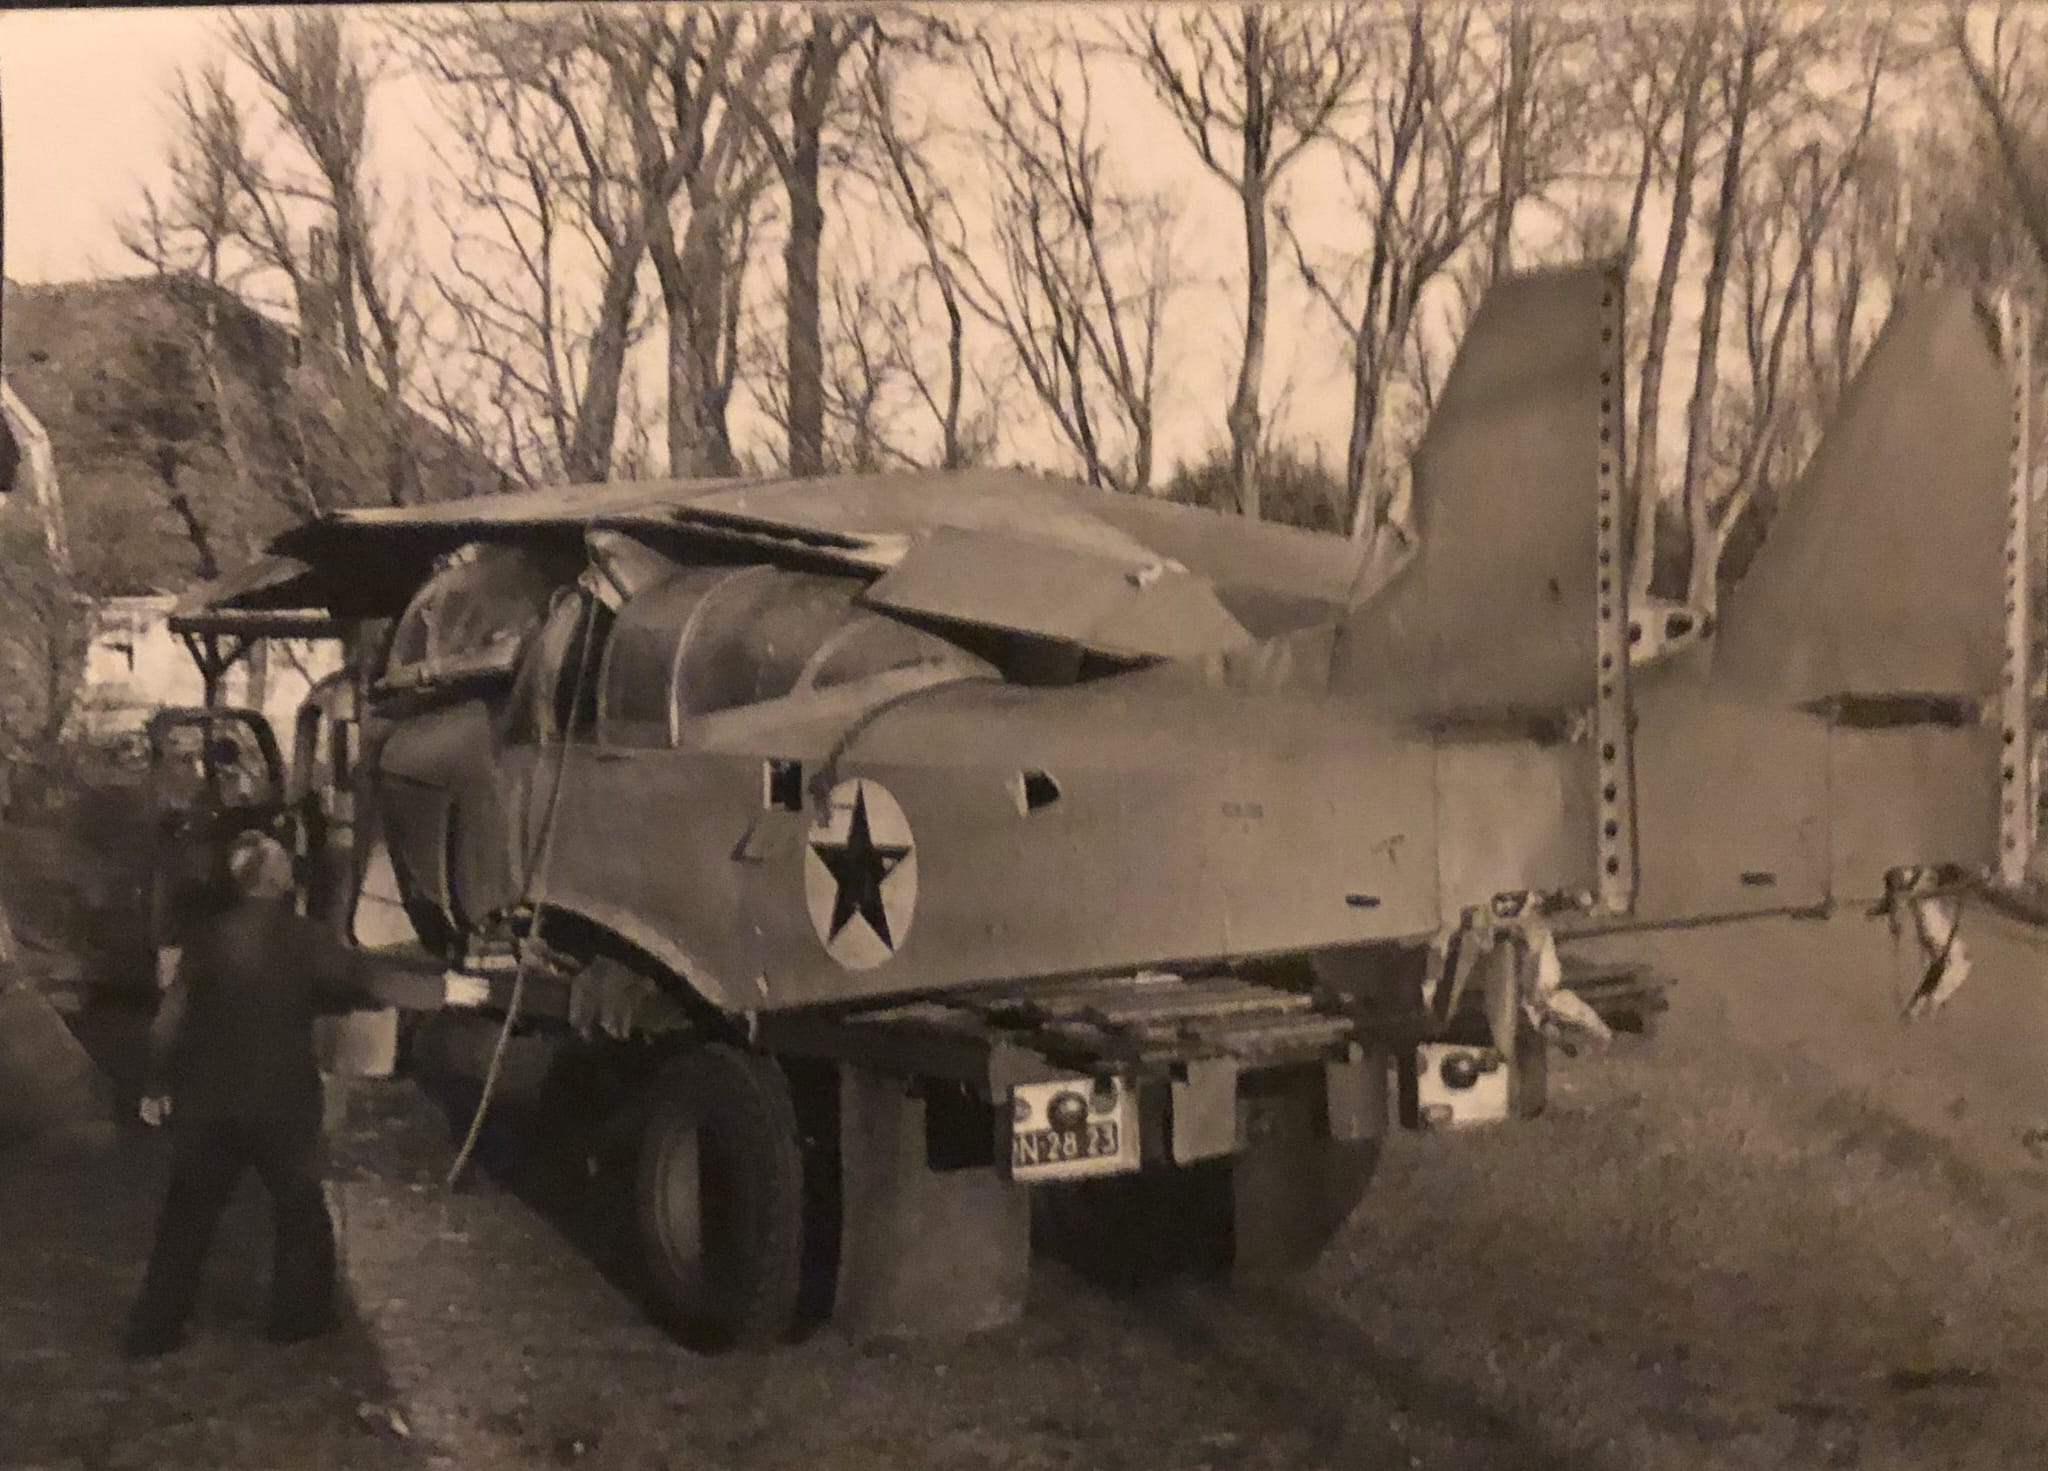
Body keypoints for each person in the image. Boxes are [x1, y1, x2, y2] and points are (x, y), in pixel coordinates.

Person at [124, 831, 370, 1361]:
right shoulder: (308, 938)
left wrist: (155, 1085)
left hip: (209, 1103)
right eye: (284, 861)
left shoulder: (207, 938)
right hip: (281, 1103)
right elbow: (354, 984)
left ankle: (154, 1330)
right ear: (277, 878)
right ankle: (297, 1320)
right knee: (300, 1208)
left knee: (188, 1214)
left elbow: (172, 1017)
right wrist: (447, 990)